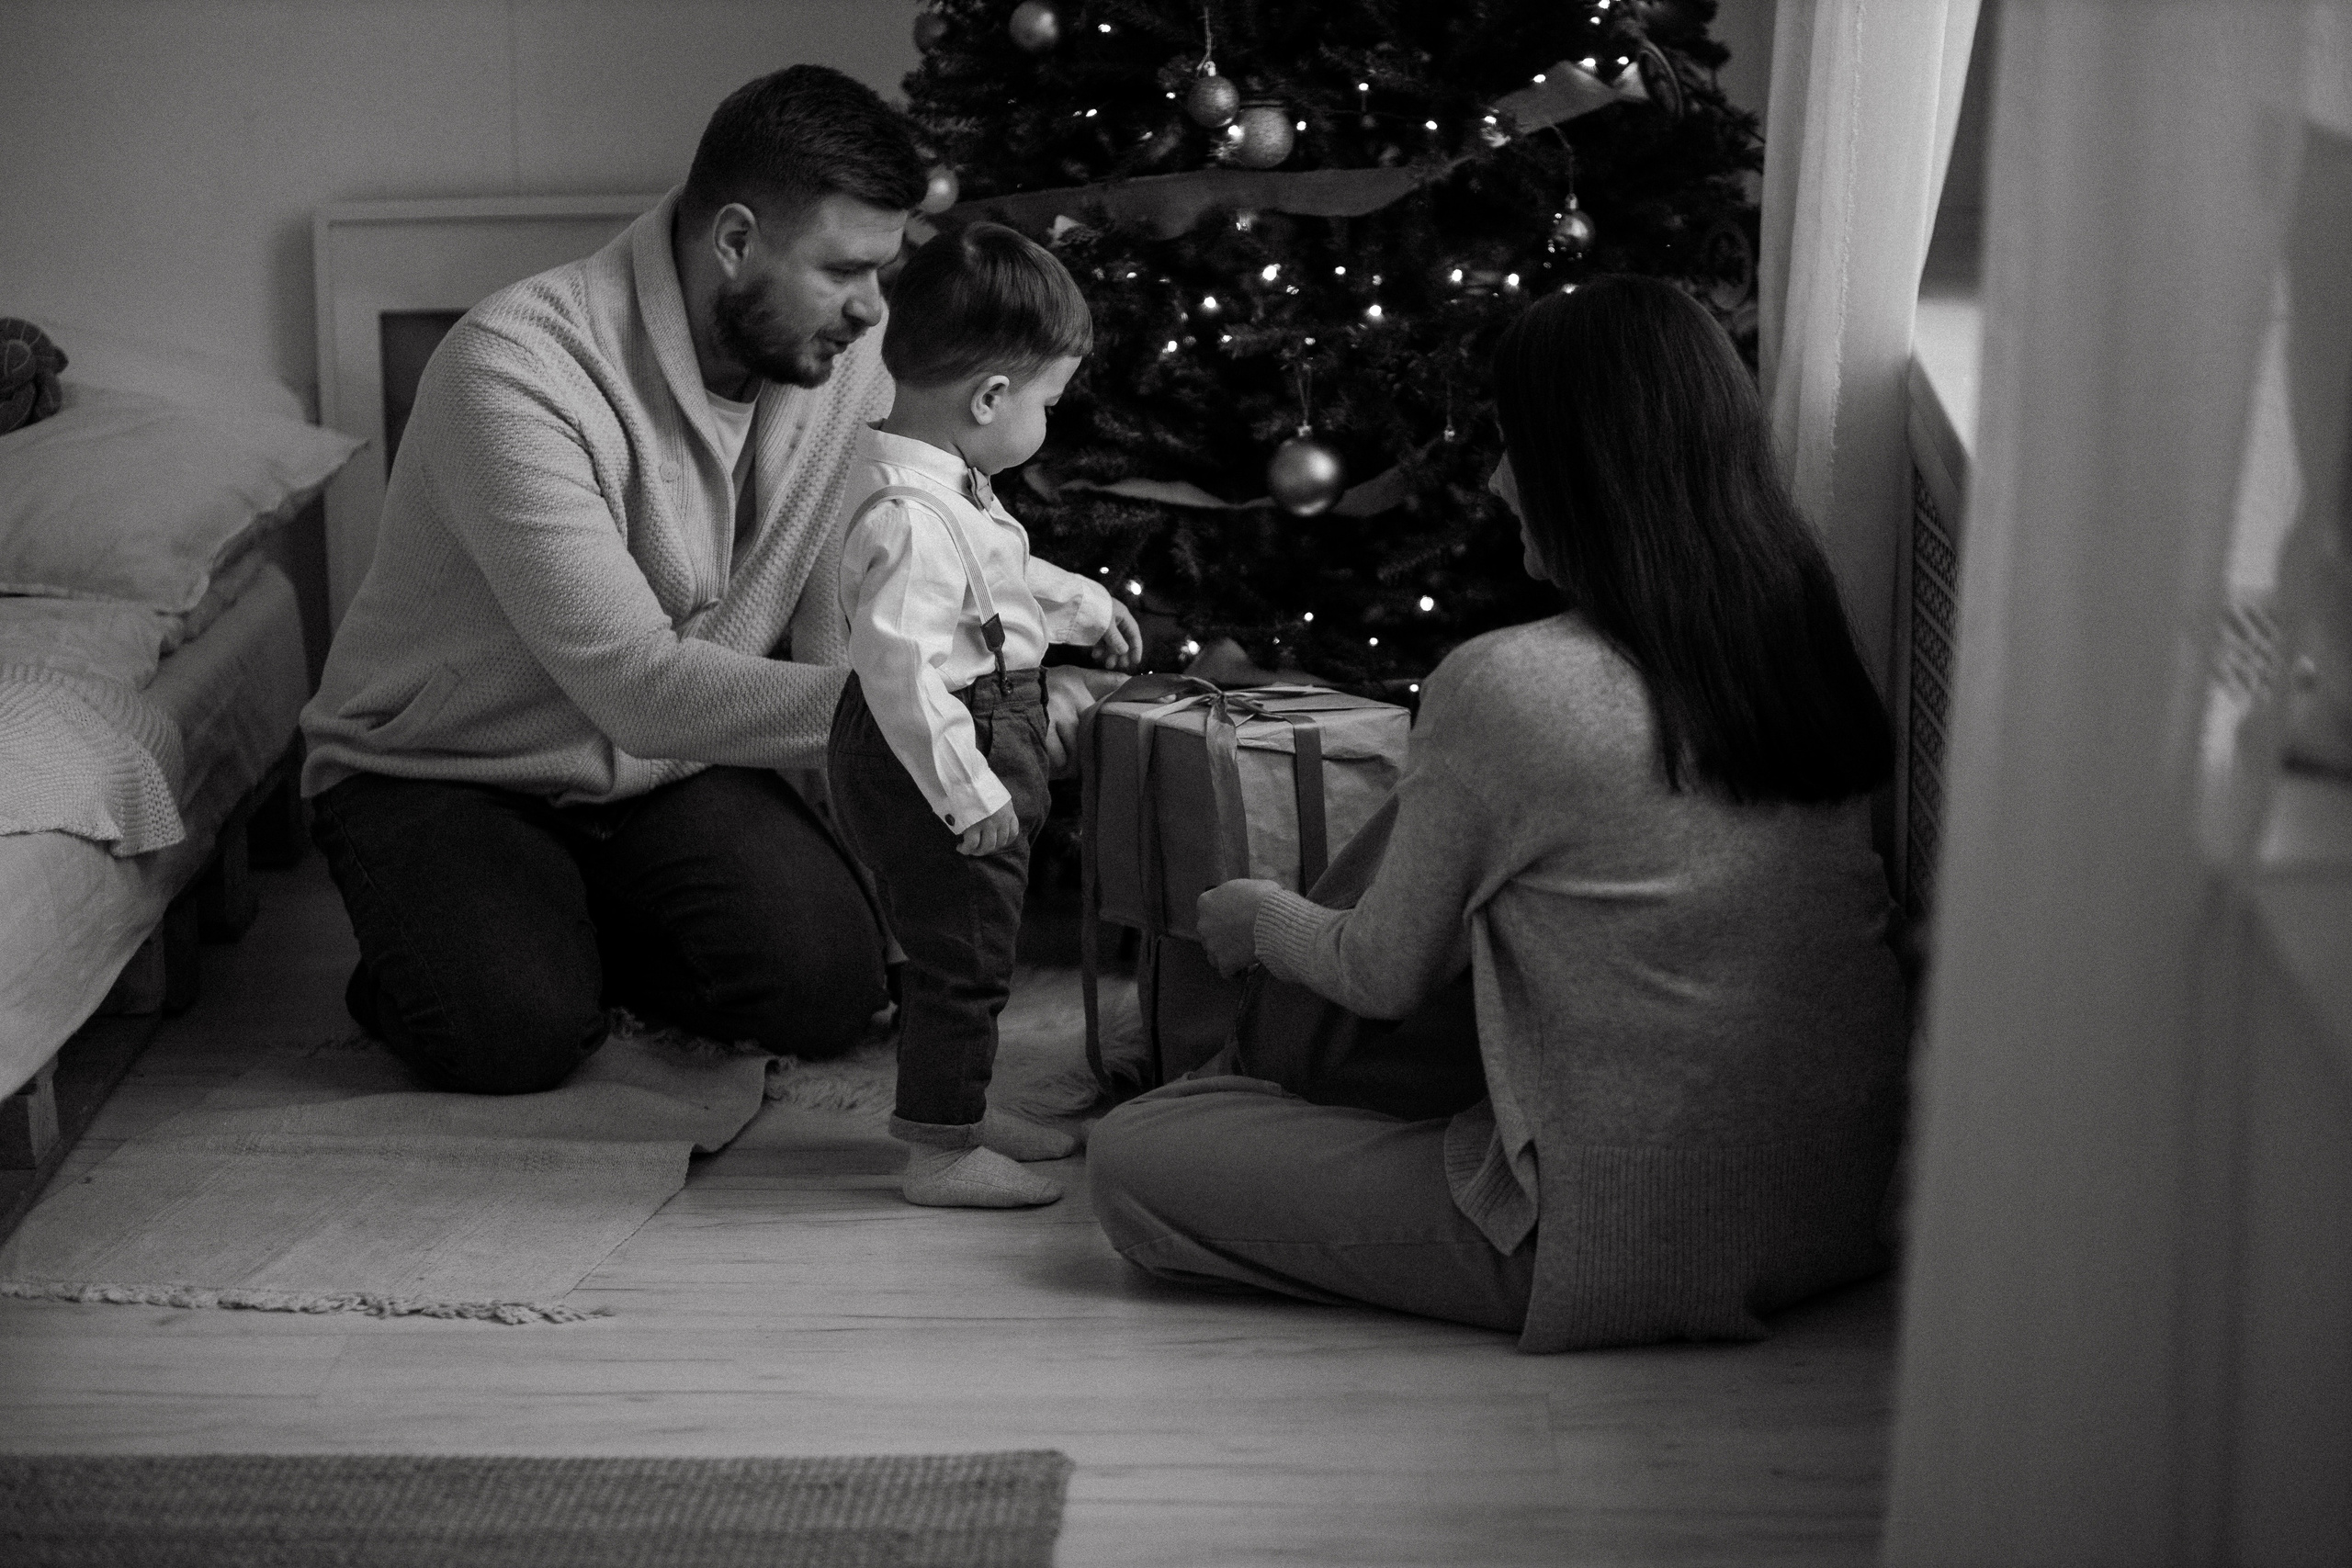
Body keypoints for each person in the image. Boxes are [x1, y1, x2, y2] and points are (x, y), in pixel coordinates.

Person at [1085, 276, 1911, 1353]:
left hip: (1611, 1241)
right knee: (1447, 852)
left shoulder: (1513, 684)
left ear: (1580, 469)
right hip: (1840, 1209)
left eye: (1513, 445)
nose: (1494, 480)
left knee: (1138, 1157)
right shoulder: (1794, 639)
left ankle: (1244, 1077)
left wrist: (1254, 917)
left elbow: (1381, 975)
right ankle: (1270, 1083)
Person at [300, 66, 940, 1094]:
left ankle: (568, 931)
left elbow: (829, 641)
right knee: (511, 1037)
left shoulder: (843, 365)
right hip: (445, 767)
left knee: (826, 994)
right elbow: (636, 688)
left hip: (674, 769)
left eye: (885, 269)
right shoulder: (513, 368)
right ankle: (468, 958)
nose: (873, 308)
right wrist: (931, 713)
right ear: (734, 241)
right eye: (843, 269)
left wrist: (892, 921)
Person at [827, 223, 1141, 1209]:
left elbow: (990, 580)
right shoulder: (907, 518)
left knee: (982, 942)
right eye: (1051, 399)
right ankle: (939, 1150)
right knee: (958, 953)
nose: (1052, 417)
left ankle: (959, 1105)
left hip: (978, 721)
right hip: (941, 741)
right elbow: (904, 673)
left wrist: (1078, 603)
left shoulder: (945, 490)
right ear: (992, 398)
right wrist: (966, 793)